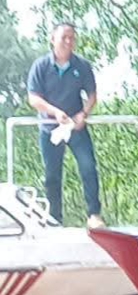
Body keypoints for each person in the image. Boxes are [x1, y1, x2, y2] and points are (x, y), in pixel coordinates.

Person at [26, 22, 104, 228]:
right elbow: (33, 98)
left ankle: (94, 214)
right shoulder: (41, 66)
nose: (68, 42)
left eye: (72, 38)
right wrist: (54, 112)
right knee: (52, 174)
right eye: (64, 38)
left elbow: (92, 95)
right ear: (53, 39)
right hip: (50, 128)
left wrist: (83, 114)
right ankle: (54, 219)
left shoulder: (82, 66)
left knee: (88, 166)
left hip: (76, 127)